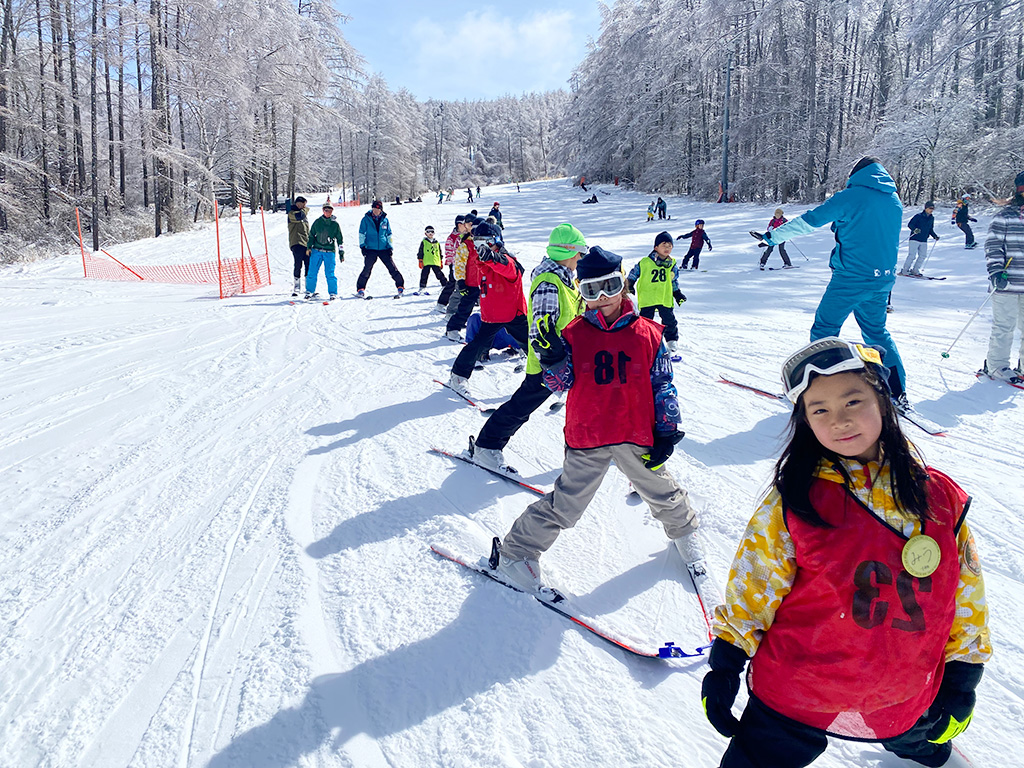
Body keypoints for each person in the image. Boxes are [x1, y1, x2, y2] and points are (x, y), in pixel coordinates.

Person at [703, 337, 990, 768]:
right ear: (805, 421)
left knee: (921, 740)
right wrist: (726, 661)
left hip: (901, 686)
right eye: (819, 410)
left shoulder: (940, 500)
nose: (838, 420)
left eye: (853, 401)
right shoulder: (795, 501)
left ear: (883, 400)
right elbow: (754, 586)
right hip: (799, 686)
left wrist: (963, 676)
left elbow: (964, 592)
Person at [491, 245, 700, 592]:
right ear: (581, 292)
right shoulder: (573, 334)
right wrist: (553, 357)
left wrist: (668, 428)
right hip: (589, 435)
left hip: (636, 432)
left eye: (610, 286)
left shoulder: (649, 333)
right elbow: (560, 384)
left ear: (623, 285)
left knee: (661, 491)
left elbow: (663, 382)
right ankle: (517, 551)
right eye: (591, 290)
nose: (602, 297)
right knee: (567, 504)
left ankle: (686, 535)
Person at [757, 156, 910, 407]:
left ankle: (818, 391)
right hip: (882, 279)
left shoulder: (850, 196)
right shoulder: (893, 200)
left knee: (824, 331)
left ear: (855, 174)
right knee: (876, 332)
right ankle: (896, 392)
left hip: (850, 277)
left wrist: (772, 237)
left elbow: (810, 221)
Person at [469, 223, 588, 472]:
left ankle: (587, 450)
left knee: (582, 405)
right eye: (579, 252)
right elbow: (540, 329)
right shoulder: (549, 281)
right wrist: (555, 363)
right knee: (522, 406)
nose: (581, 258)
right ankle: (486, 446)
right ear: (568, 252)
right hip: (550, 364)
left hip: (567, 360)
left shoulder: (564, 278)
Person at [447, 222, 529, 396]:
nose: (480, 248)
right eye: (477, 243)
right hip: (493, 315)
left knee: (531, 344)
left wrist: (492, 256)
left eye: (485, 243)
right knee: (477, 345)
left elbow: (508, 267)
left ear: (497, 241)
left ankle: (549, 374)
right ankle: (458, 376)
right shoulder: (481, 262)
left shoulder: (506, 260)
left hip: (514, 313)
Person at [980, 170, 1024, 382]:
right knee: (1004, 326)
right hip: (1006, 282)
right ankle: (996, 365)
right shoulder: (1005, 216)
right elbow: (993, 245)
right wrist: (996, 271)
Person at [626, 231, 685, 352]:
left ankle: (671, 341)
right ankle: (643, 339)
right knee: (646, 320)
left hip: (664, 297)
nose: (667, 248)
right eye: (664, 245)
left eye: (670, 246)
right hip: (648, 297)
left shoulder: (672, 264)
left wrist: (677, 293)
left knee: (669, 320)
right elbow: (634, 273)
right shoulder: (645, 262)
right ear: (656, 247)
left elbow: (673, 281)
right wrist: (630, 283)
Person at [356, 200, 404, 298]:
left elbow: (389, 234)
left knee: (392, 267)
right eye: (374, 208)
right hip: (370, 248)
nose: (375, 211)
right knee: (367, 268)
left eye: (377, 209)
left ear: (380, 209)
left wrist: (390, 246)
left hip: (384, 248)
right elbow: (361, 233)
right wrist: (362, 246)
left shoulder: (385, 220)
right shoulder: (366, 219)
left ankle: (400, 285)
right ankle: (360, 288)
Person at [445, 214, 481, 341]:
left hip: (483, 282)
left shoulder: (481, 243)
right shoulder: (466, 245)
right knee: (466, 307)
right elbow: (459, 264)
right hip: (471, 282)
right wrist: (461, 281)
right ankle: (452, 328)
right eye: (471, 226)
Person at [305, 201, 344, 300]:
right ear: (323, 211)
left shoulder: (335, 225)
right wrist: (309, 247)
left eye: (330, 210)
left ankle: (333, 293)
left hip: (329, 252)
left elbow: (340, 240)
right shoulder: (318, 222)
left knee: (330, 273)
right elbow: (311, 236)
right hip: (317, 251)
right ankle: (309, 291)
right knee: (312, 272)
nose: (328, 212)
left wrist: (341, 253)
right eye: (326, 210)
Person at [433, 215, 463, 315]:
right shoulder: (453, 237)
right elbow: (449, 250)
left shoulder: (464, 235)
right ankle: (441, 303)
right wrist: (452, 263)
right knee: (452, 284)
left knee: (459, 284)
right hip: (454, 264)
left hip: (461, 264)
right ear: (459, 225)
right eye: (464, 224)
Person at [902, 201, 941, 276]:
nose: (931, 210)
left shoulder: (931, 218)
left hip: (924, 239)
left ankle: (915, 270)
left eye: (933, 208)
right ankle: (905, 270)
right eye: (930, 208)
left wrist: (935, 236)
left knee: (923, 256)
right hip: (915, 238)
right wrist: (915, 229)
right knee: (912, 255)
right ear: (926, 208)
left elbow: (930, 229)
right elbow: (910, 224)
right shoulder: (918, 216)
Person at [287, 196, 310, 296]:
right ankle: (297, 286)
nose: (305, 206)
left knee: (308, 265)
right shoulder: (292, 213)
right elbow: (299, 216)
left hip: (306, 243)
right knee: (298, 264)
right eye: (303, 204)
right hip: (296, 242)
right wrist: (305, 209)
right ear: (298, 204)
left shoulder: (304, 214)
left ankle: (309, 286)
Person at [416, 226, 448, 294]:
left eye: (432, 231)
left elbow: (439, 252)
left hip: (435, 261)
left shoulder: (437, 243)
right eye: (428, 232)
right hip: (426, 261)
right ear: (425, 233)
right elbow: (420, 251)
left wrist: (440, 261)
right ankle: (422, 287)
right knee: (424, 274)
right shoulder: (424, 242)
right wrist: (420, 260)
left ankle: (445, 285)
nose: (430, 233)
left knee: (439, 274)